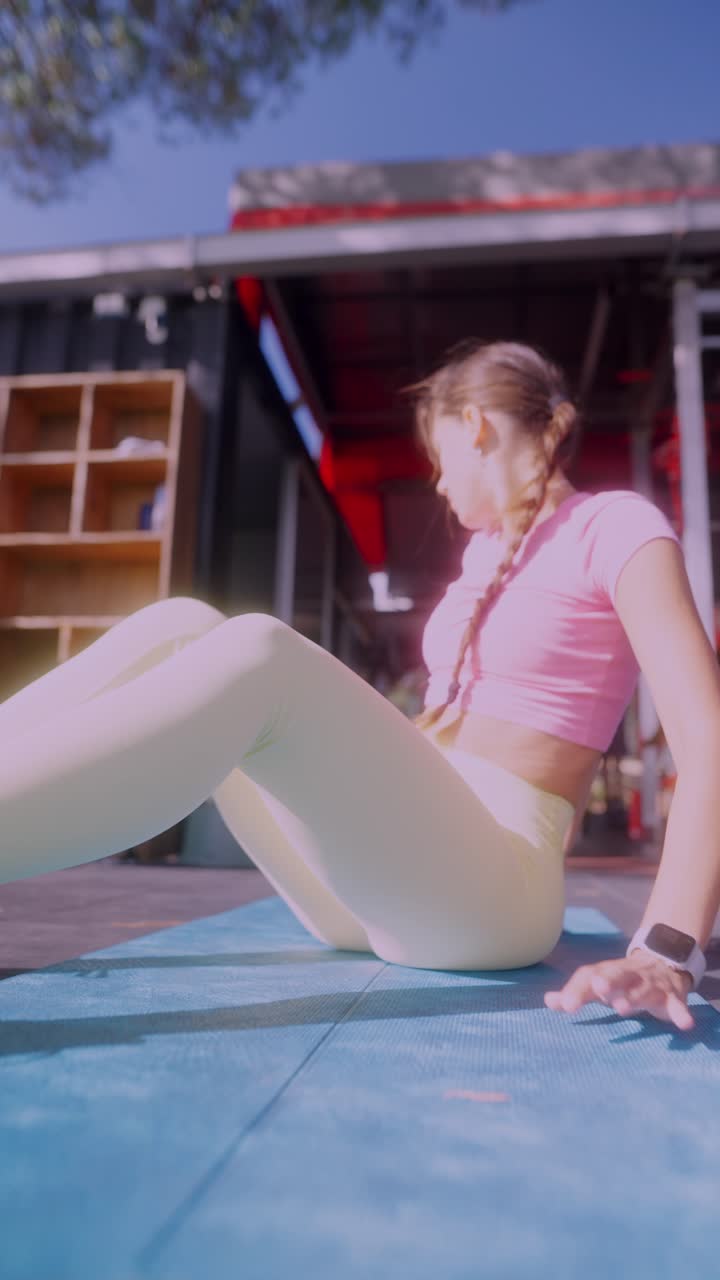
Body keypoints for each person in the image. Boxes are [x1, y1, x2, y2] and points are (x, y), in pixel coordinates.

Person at [0, 340, 715, 1033]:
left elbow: (708, 745)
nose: (439, 484)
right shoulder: (484, 555)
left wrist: (666, 952)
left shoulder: (614, 526)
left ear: (473, 426)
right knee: (181, 624)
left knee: (261, 651)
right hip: (376, 882)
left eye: (438, 459)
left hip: (486, 896)